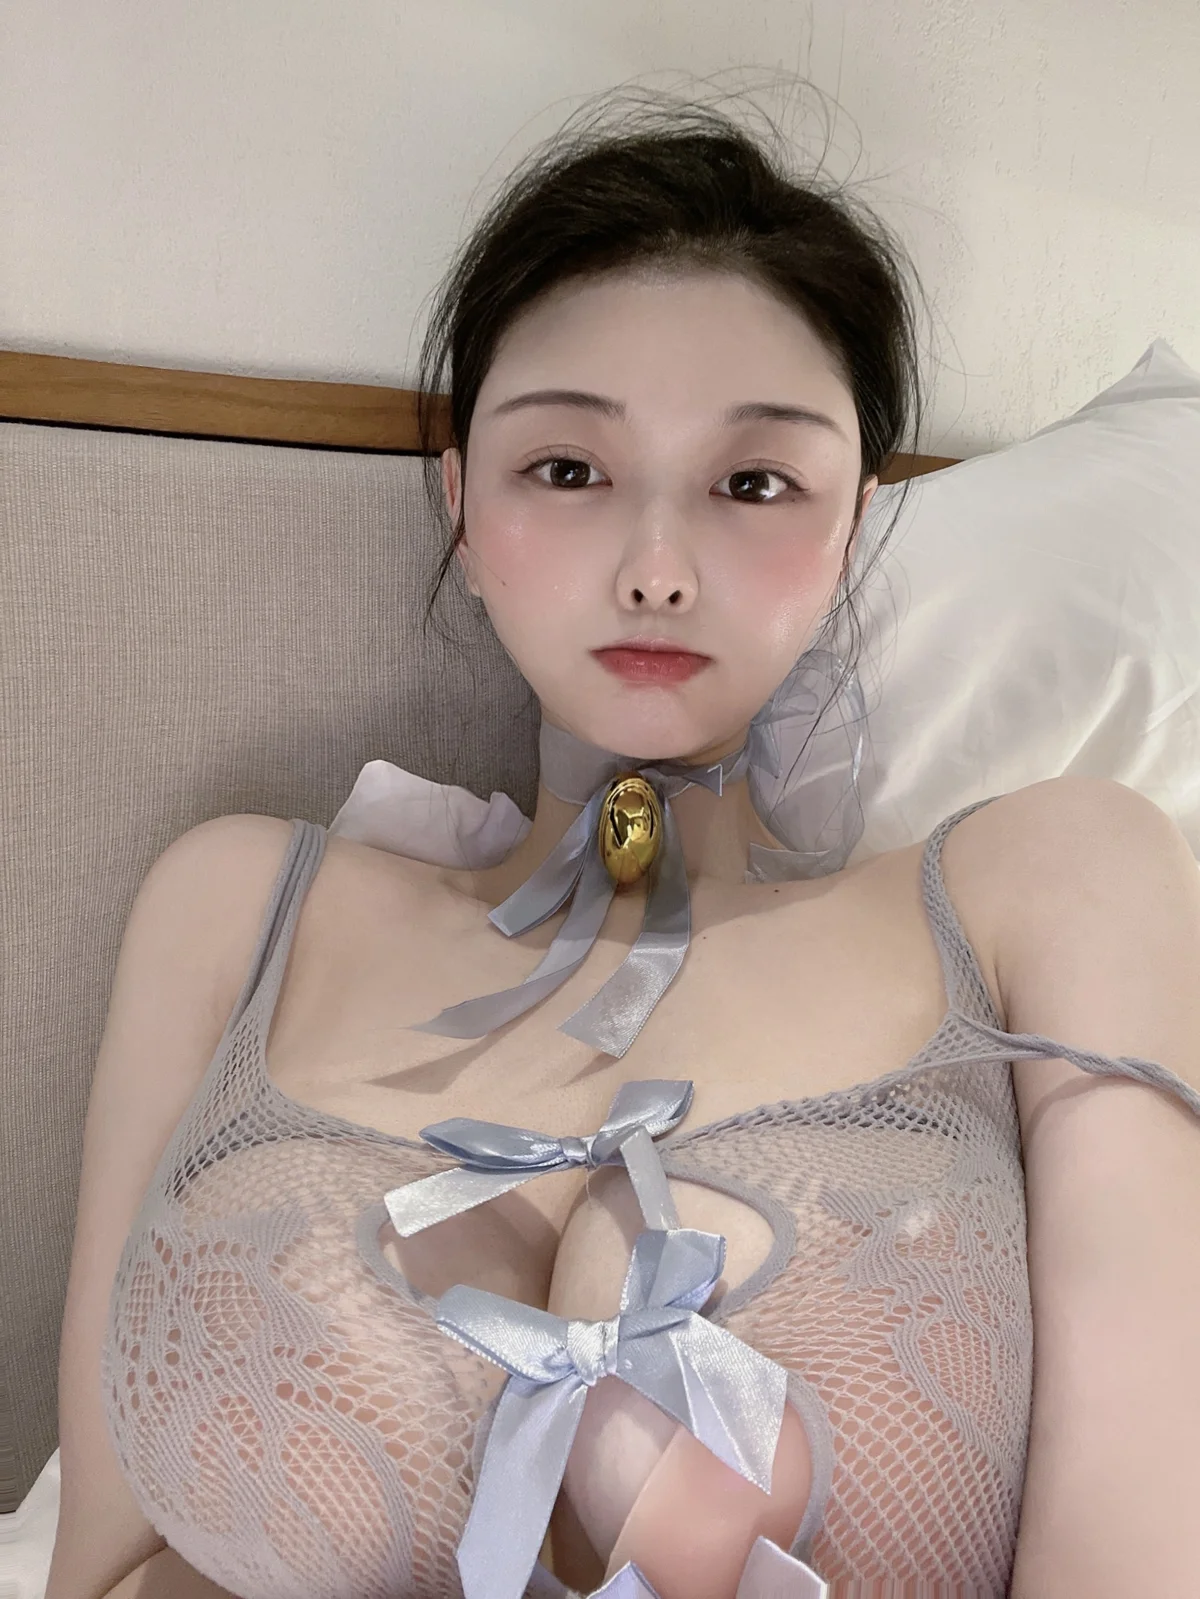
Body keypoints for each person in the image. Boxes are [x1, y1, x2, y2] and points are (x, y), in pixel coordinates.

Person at [48, 89, 1200, 1599]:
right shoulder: (239, 906)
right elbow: (106, 1567)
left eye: (754, 483)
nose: (658, 569)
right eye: (569, 469)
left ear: (853, 528)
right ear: (462, 505)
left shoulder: (1052, 881)